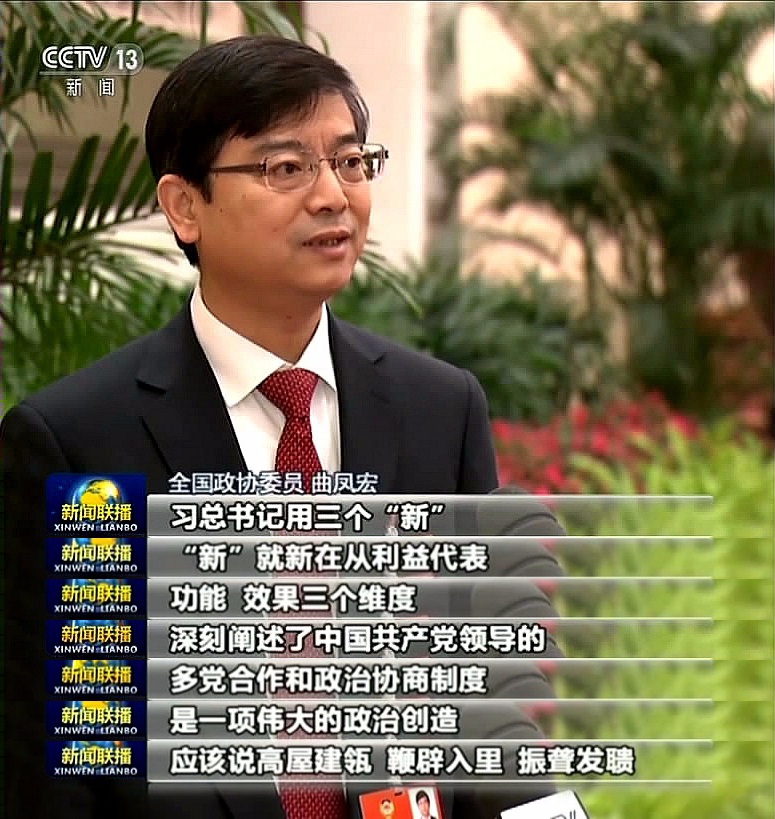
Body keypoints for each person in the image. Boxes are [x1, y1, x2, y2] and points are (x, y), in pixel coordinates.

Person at [1, 35, 503, 819]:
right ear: (184, 206)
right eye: (284, 167)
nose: (333, 195)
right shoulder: (76, 443)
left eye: (350, 161)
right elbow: (60, 772)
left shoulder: (441, 409)